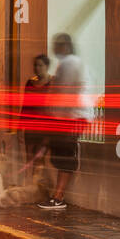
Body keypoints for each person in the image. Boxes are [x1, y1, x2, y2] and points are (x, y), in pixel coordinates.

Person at [38, 33, 91, 210]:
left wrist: (57, 116)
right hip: (68, 117)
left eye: (57, 45)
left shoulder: (70, 63)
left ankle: (58, 196)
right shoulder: (67, 63)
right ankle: (57, 194)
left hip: (71, 118)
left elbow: (66, 91)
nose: (54, 49)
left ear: (65, 47)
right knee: (60, 156)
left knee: (64, 156)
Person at [19, 54, 53, 178]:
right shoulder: (30, 82)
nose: (37, 68)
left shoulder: (52, 82)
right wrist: (19, 127)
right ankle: (30, 184)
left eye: (40, 65)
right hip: (30, 125)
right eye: (35, 65)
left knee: (40, 157)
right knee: (29, 157)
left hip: (44, 126)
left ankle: (37, 184)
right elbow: (25, 106)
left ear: (47, 66)